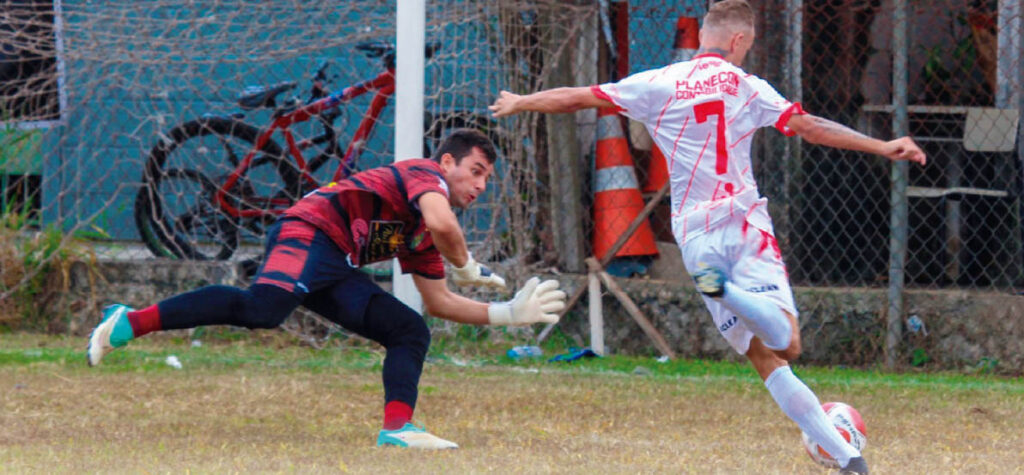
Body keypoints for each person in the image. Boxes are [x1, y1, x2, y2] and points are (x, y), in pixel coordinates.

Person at [489, 1, 925, 473]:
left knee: (763, 358)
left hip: (696, 233)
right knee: (787, 343)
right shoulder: (747, 86)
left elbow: (579, 97)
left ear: (702, 38)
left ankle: (849, 462)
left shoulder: (657, 83)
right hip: (743, 220)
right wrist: (881, 145)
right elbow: (810, 128)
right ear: (739, 41)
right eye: (749, 46)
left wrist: (522, 102)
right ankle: (735, 294)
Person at [86, 128, 567, 449]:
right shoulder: (426, 176)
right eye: (476, 171)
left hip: (334, 261)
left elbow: (439, 301)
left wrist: (507, 314)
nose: (481, 184)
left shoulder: (422, 232)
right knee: (264, 310)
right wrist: (465, 264)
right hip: (308, 232)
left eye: (487, 177)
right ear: (447, 163)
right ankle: (129, 321)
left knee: (409, 329)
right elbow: (443, 222)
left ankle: (398, 428)